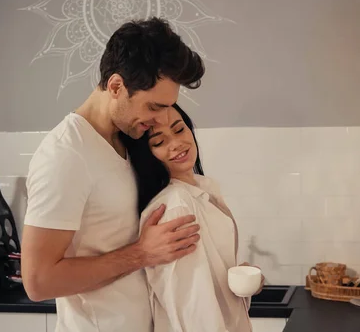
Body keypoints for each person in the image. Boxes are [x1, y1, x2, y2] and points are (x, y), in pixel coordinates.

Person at [21, 18, 205, 332]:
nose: (161, 119)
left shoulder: (128, 138)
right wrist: (142, 253)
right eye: (154, 107)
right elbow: (38, 282)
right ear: (116, 86)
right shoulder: (66, 155)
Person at [121, 104, 264, 332]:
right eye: (159, 142)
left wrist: (241, 280)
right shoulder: (176, 206)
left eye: (179, 129)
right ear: (146, 156)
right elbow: (193, 307)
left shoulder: (202, 188)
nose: (177, 143)